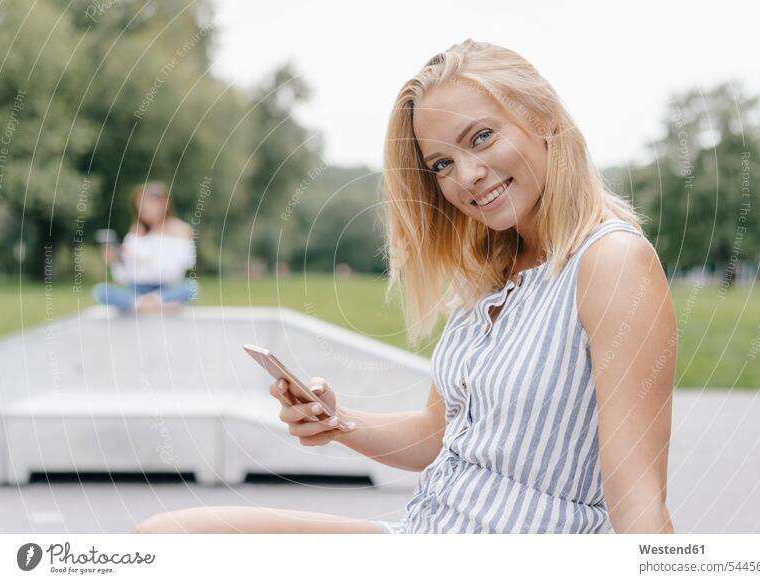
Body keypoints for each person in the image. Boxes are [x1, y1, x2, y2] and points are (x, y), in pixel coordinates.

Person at [131, 39, 676, 534]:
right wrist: (337, 422)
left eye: (482, 137)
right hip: (423, 536)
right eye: (442, 164)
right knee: (166, 539)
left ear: (544, 117)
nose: (466, 177)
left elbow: (638, 505)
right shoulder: (493, 274)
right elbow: (439, 434)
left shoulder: (612, 262)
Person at [92, 181, 198, 314]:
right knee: (101, 291)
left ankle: (144, 303)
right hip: (136, 289)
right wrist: (114, 261)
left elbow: (176, 270)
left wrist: (140, 257)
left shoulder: (181, 230)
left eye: (148, 204)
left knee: (191, 288)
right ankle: (150, 304)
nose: (144, 209)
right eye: (140, 205)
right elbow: (122, 277)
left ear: (164, 203)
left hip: (166, 288)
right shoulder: (135, 231)